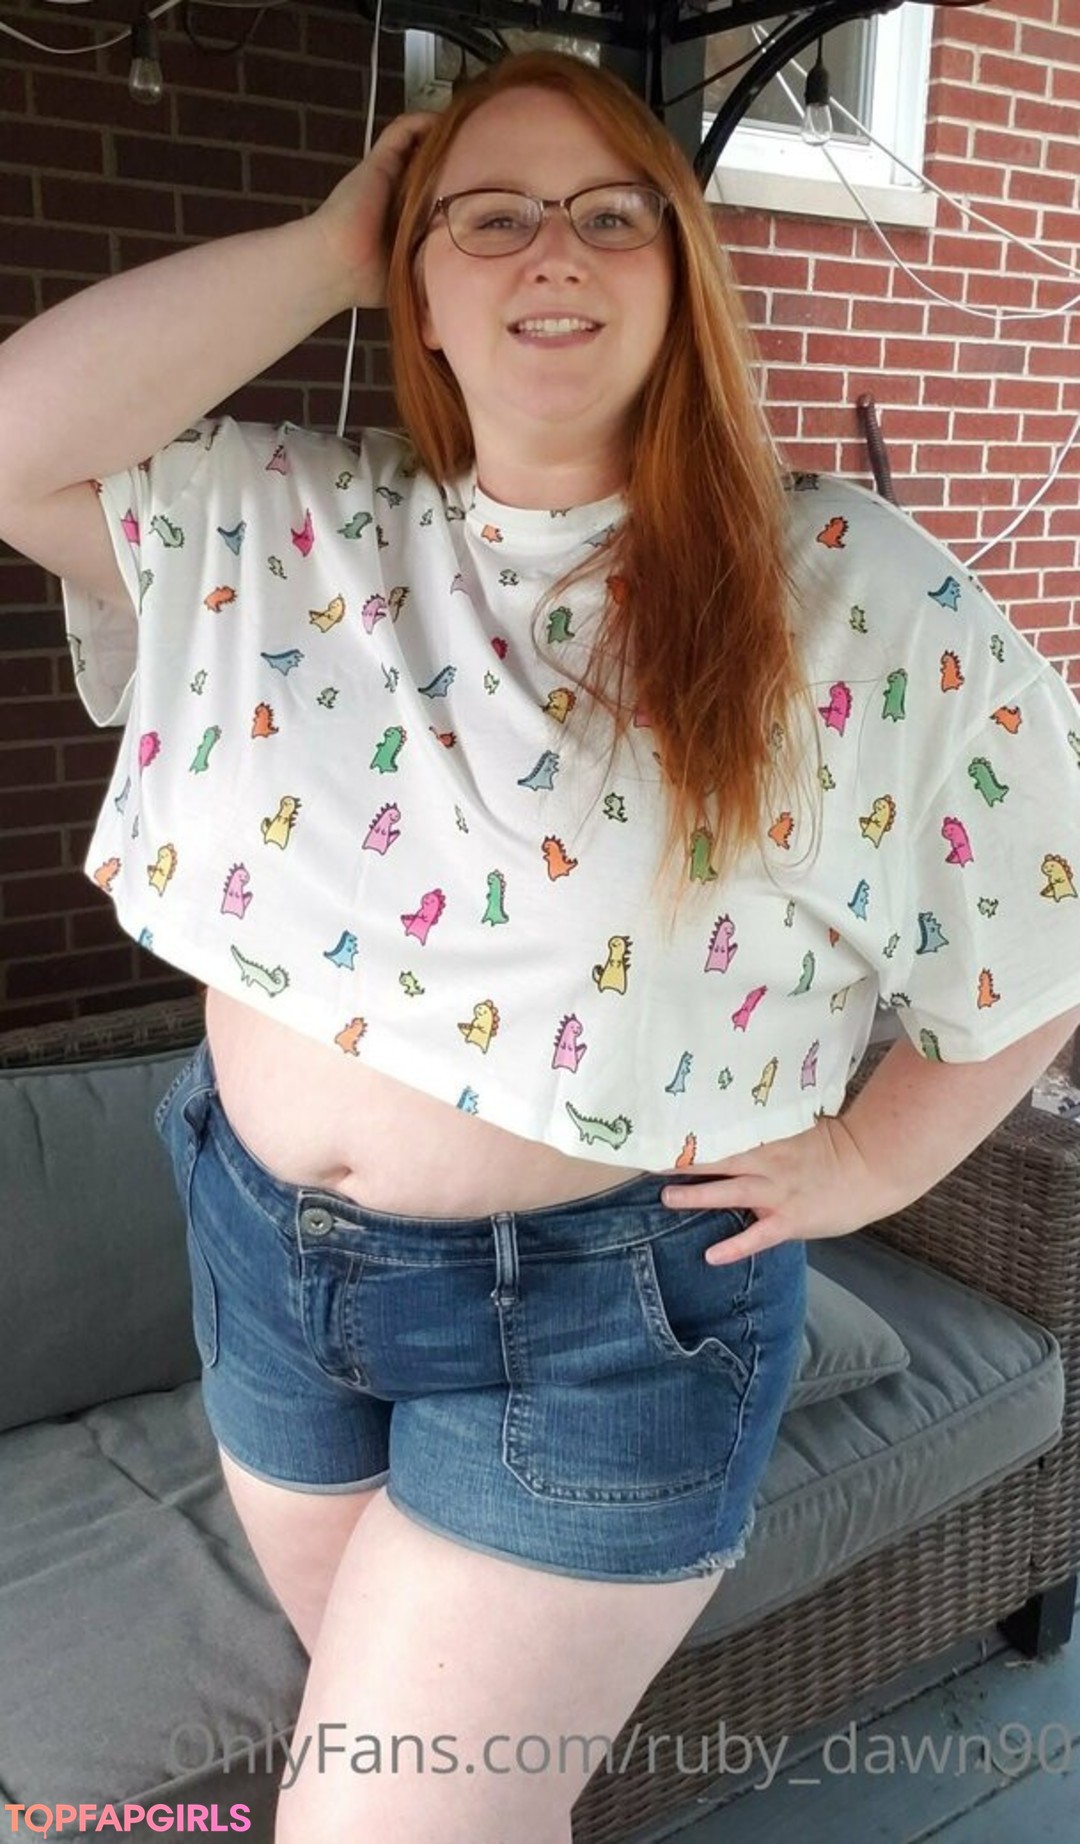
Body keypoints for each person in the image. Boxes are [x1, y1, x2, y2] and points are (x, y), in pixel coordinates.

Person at [1, 44, 1079, 1844]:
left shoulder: (847, 589)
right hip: (264, 1271)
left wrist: (870, 1162)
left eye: (609, 216)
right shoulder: (290, 530)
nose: (552, 249)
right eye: (488, 218)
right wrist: (326, 247)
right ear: (415, 290)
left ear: (683, 269)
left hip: (593, 1324)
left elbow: (1049, 913)